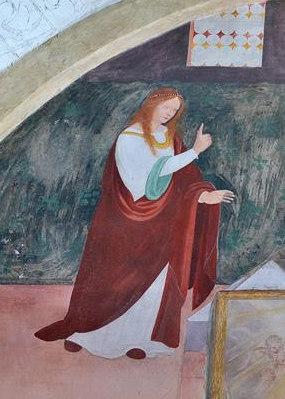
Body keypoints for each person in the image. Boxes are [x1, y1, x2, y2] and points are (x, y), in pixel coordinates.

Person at [35, 87, 234, 360]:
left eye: (174, 111)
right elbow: (147, 181)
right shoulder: (129, 138)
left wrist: (202, 196)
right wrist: (194, 152)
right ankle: (87, 334)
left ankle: (141, 340)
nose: (169, 113)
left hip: (163, 225)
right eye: (166, 107)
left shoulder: (170, 139)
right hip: (124, 222)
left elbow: (183, 181)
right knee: (109, 279)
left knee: (154, 284)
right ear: (152, 104)